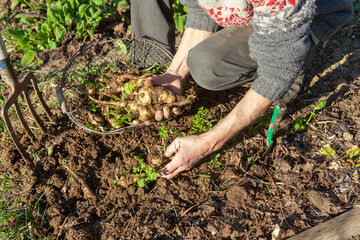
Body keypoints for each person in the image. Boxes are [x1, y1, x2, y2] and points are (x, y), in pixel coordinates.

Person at [130, 0, 354, 179]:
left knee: (206, 65)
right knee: (197, 61)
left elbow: (278, 70)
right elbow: (200, 10)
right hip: (253, 11)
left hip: (299, 19)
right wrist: (176, 72)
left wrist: (208, 142)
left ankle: (299, 55)